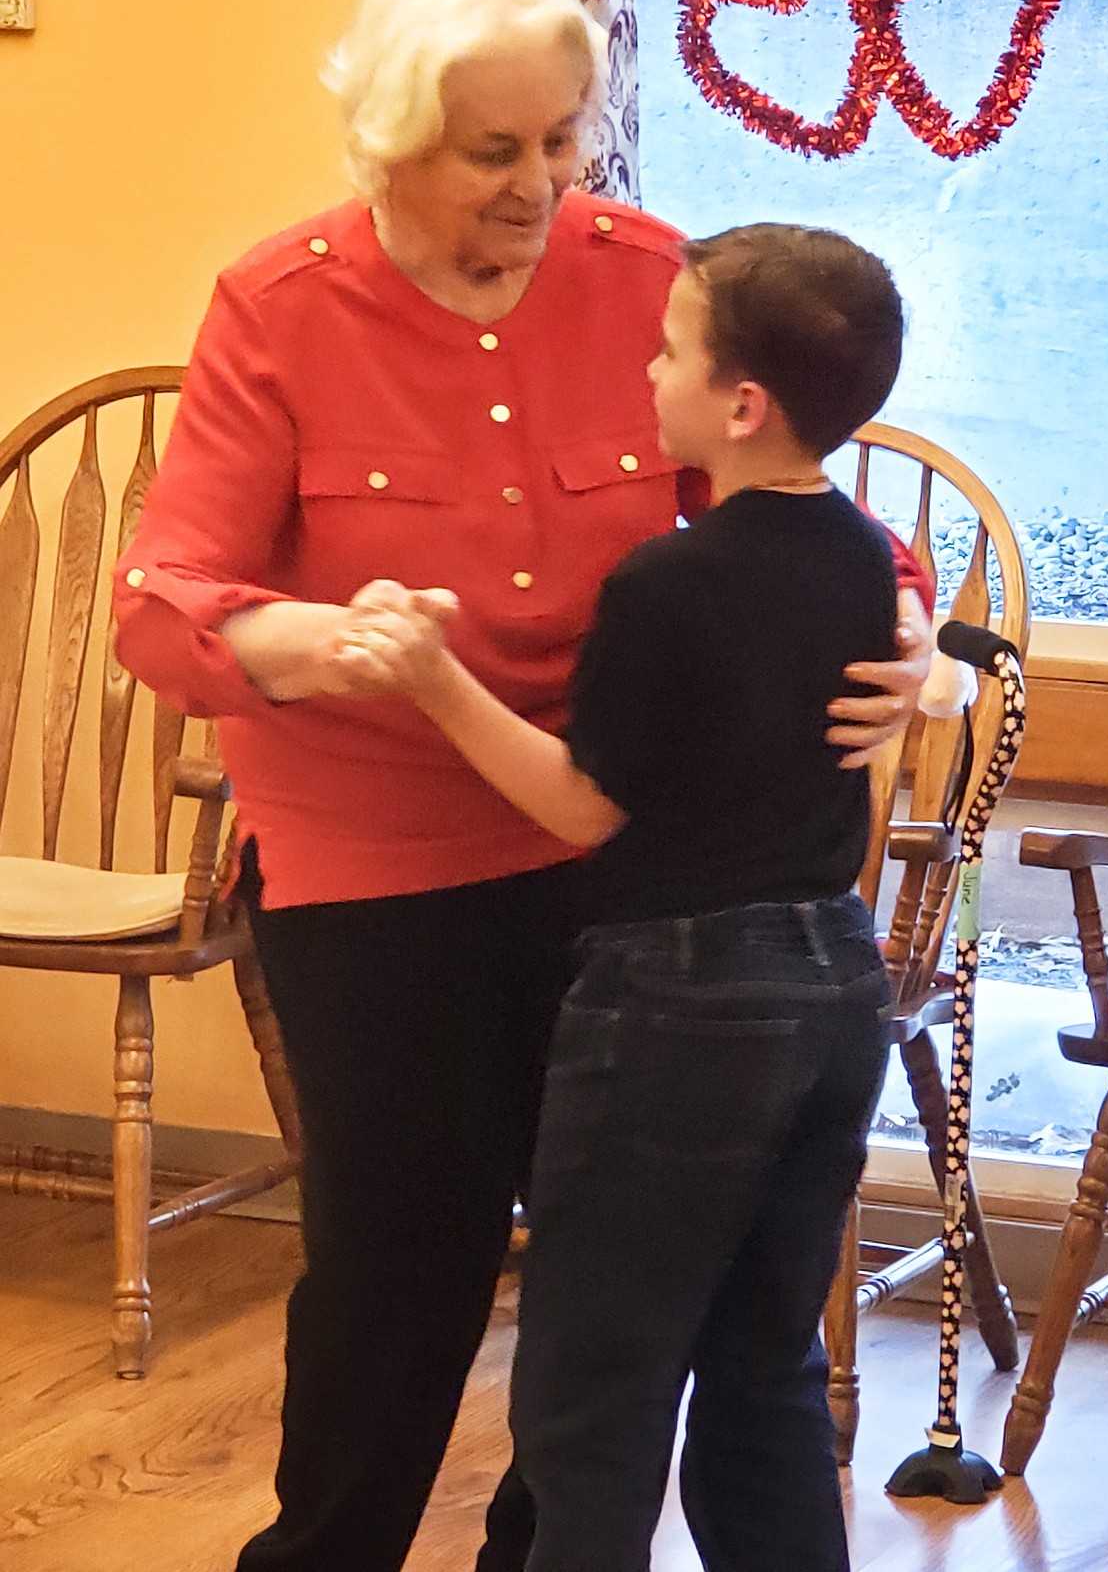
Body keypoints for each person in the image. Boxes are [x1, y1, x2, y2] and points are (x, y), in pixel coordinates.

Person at [112, 0, 931, 1572]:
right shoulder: (278, 307)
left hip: (627, 874)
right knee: (398, 1267)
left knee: (610, 1292)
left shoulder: (649, 273)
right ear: (391, 145)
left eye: (563, 137)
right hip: (375, 863)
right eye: (496, 150)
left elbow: (807, 501)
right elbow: (167, 605)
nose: (543, 183)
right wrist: (302, 638)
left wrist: (903, 642)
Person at [343, 221, 904, 1572]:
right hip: (835, 982)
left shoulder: (664, 579)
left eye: (667, 351)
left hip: (678, 1009)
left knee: (593, 1393)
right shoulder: (862, 555)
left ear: (739, 403)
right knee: (762, 1370)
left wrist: (432, 678)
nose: (645, 374)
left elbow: (586, 805)